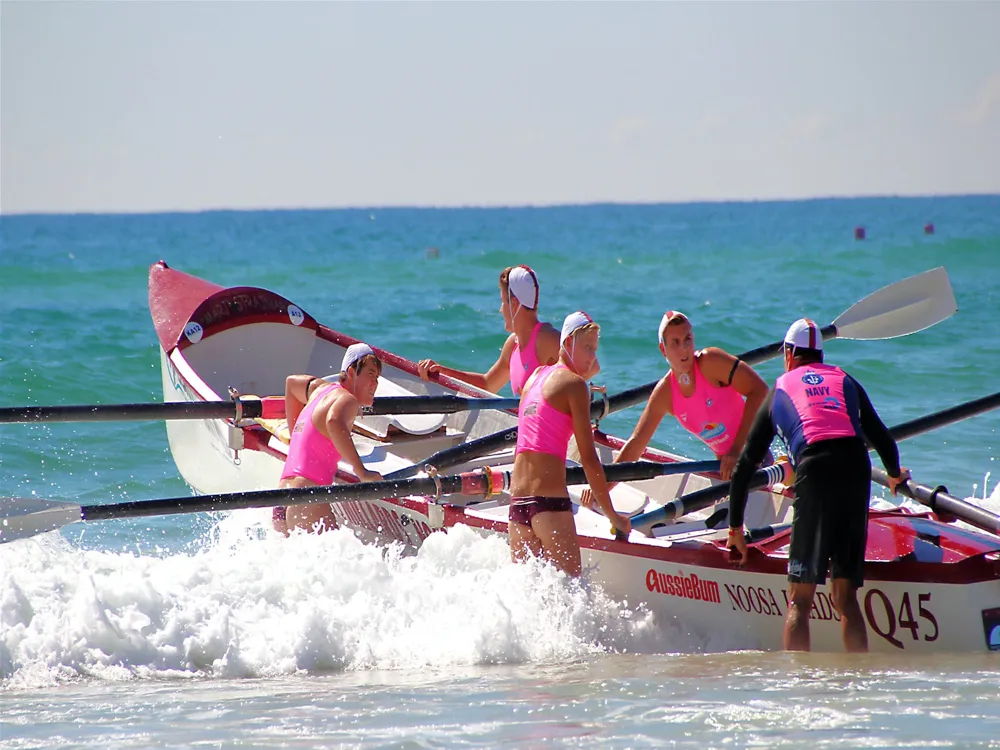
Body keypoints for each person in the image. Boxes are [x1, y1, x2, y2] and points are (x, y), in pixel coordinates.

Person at [727, 318, 911, 653]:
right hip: (857, 468)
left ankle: (800, 691)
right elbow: (883, 439)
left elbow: (742, 469)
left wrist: (735, 531)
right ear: (820, 356)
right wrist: (895, 473)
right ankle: (855, 681)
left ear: (789, 354)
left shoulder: (780, 388)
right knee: (845, 597)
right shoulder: (845, 379)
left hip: (814, 469)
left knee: (800, 599)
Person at [582, 310, 769, 514]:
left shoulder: (711, 361)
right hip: (725, 469)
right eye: (675, 342)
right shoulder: (665, 393)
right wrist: (602, 489)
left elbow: (760, 391)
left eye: (688, 339)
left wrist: (736, 450)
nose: (684, 349)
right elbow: (635, 445)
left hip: (757, 456)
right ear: (663, 349)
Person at [509, 311, 632, 576]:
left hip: (517, 505)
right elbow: (588, 459)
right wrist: (613, 516)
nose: (592, 356)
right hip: (548, 504)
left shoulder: (535, 377)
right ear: (567, 343)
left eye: (595, 349)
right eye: (587, 347)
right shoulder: (576, 386)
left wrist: (585, 363)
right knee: (573, 593)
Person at [274, 342, 384, 535]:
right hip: (307, 495)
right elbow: (334, 421)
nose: (375, 383)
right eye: (370, 374)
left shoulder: (319, 389)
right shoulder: (348, 399)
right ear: (351, 372)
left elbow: (291, 384)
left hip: (282, 495)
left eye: (377, 377)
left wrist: (296, 440)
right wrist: (362, 472)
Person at [417, 265, 560, 395]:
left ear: (514, 304)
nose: (500, 309)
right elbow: (487, 385)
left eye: (503, 302)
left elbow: (579, 375)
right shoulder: (513, 345)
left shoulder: (546, 339)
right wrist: (442, 372)